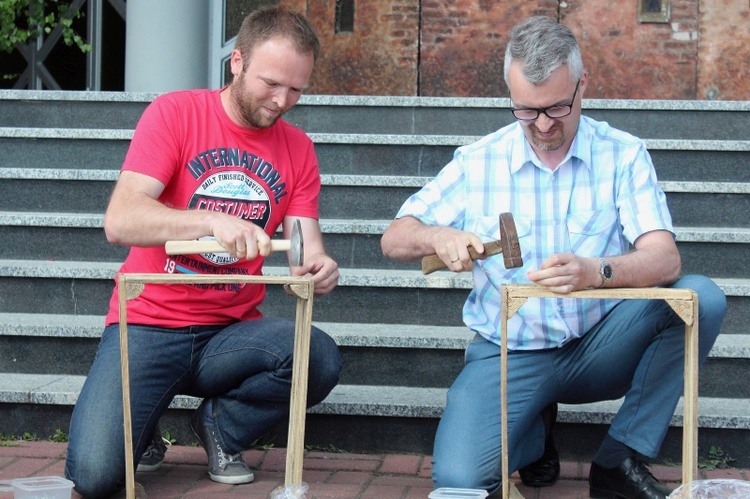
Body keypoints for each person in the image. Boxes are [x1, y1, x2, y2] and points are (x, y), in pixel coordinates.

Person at [381, 16, 726, 499]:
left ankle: (617, 459)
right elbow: (394, 237)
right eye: (527, 111)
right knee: (459, 479)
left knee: (701, 298)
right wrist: (438, 236)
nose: (543, 125)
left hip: (599, 345)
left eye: (558, 108)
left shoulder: (622, 154)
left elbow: (664, 259)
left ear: (583, 84)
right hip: (509, 351)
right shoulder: (479, 160)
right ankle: (534, 432)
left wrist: (596, 272)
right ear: (510, 96)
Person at [64, 6, 342, 497]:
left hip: (228, 333)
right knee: (94, 477)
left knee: (317, 355)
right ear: (236, 61)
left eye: (296, 89)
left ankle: (221, 426)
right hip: (149, 321)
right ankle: (142, 426)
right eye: (271, 83)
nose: (282, 101)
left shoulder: (298, 148)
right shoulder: (175, 113)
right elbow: (120, 220)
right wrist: (210, 220)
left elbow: (306, 248)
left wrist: (318, 268)